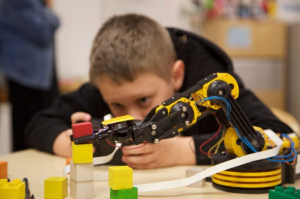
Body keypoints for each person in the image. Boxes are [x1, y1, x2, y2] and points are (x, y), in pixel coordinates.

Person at [25, 14, 292, 169]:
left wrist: (184, 150)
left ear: (176, 75)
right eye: (117, 106)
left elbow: (280, 137)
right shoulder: (108, 86)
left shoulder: (215, 91)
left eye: (144, 100)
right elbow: (38, 123)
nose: (134, 116)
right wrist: (78, 142)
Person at [0, 0, 60, 151]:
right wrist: (49, 8)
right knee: (28, 134)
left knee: (41, 128)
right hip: (26, 77)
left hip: (36, 76)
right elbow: (43, 30)